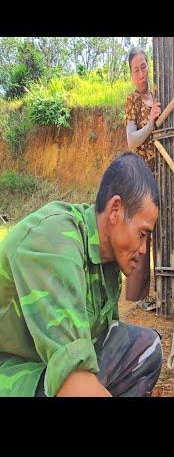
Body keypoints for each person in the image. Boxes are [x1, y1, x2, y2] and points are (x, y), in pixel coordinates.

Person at [0, 152, 162, 396]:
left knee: (146, 348)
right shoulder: (55, 240)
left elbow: (99, 342)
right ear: (115, 210)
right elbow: (72, 380)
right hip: (15, 373)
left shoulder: (107, 264)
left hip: (50, 365)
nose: (142, 249)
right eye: (142, 234)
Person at [124, 46, 162, 310]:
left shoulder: (157, 95)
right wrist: (150, 123)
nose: (141, 73)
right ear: (130, 74)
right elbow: (132, 140)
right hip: (142, 175)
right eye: (135, 69)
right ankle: (138, 297)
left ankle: (161, 290)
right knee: (143, 234)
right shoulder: (132, 101)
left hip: (163, 172)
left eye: (144, 66)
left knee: (162, 233)